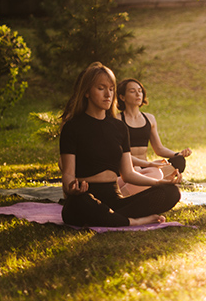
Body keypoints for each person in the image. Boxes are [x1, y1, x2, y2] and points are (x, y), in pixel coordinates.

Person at [59, 62, 181, 227]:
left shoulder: (119, 127)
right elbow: (67, 174)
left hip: (114, 200)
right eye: (101, 88)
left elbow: (128, 174)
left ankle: (110, 217)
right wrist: (71, 188)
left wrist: (161, 183)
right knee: (80, 203)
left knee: (171, 192)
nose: (108, 94)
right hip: (85, 197)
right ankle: (132, 221)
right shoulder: (72, 127)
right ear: (87, 92)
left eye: (111, 89)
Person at [115, 78, 192, 195]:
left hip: (147, 169)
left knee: (178, 161)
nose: (138, 94)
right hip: (127, 170)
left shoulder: (149, 119)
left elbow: (159, 149)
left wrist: (178, 154)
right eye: (132, 91)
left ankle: (146, 184)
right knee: (147, 172)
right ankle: (128, 193)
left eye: (140, 91)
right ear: (122, 97)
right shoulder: (117, 120)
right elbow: (118, 154)